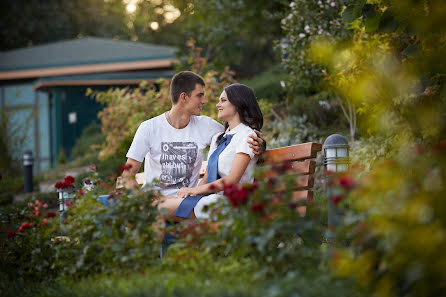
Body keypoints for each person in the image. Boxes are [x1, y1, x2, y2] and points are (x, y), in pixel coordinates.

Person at [121, 71, 264, 196]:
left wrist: (261, 144)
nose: (205, 101)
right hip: (156, 200)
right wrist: (142, 201)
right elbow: (127, 176)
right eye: (199, 95)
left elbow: (236, 137)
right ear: (184, 97)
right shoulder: (149, 128)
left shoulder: (206, 126)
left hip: (188, 200)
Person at [155, 83, 263, 221]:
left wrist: (193, 190)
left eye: (223, 100)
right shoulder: (219, 138)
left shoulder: (247, 136)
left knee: (158, 209)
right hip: (211, 198)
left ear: (238, 104)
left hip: (231, 202)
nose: (218, 105)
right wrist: (191, 195)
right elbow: (206, 177)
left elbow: (232, 180)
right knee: (156, 205)